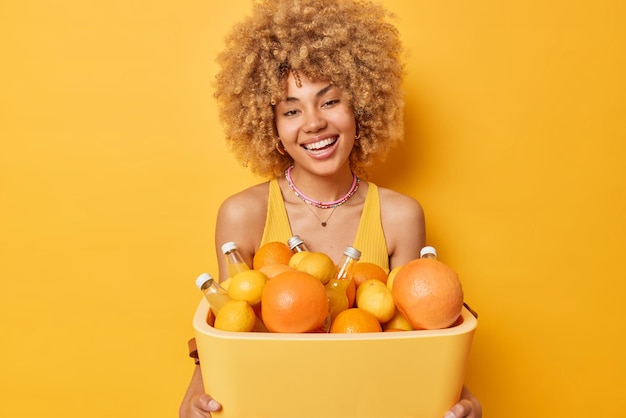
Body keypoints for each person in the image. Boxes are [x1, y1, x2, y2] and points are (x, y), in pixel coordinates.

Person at [180, 0, 482, 417]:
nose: (313, 123)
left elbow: (421, 330)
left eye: (329, 101)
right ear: (270, 126)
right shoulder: (242, 215)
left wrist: (459, 396)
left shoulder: (400, 216)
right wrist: (194, 399)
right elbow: (225, 324)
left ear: (360, 104)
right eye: (291, 110)